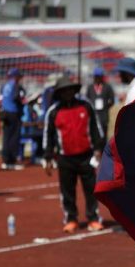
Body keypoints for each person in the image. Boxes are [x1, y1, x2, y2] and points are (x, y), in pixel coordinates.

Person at [43, 74, 105, 233]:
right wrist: (48, 157)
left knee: (91, 189)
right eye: (64, 91)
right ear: (59, 93)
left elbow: (96, 129)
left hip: (86, 156)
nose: (68, 93)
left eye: (70, 90)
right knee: (67, 191)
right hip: (65, 158)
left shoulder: (86, 106)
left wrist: (98, 149)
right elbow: (48, 135)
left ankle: (93, 218)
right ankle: (71, 219)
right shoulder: (53, 112)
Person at [0, 67, 26, 170]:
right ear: (16, 76)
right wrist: (22, 102)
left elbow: (1, 100)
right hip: (13, 113)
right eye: (19, 76)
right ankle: (11, 161)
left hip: (5, 113)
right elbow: (18, 98)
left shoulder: (3, 86)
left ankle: (5, 160)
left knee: (6, 137)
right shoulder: (16, 86)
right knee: (14, 137)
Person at [85, 66, 116, 137]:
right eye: (96, 76)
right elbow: (87, 99)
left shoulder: (107, 87)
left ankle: (103, 146)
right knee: (93, 131)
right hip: (93, 113)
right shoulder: (90, 87)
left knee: (103, 132)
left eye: (99, 76)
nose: (97, 78)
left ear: (102, 77)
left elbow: (112, 100)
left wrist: (106, 107)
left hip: (103, 114)